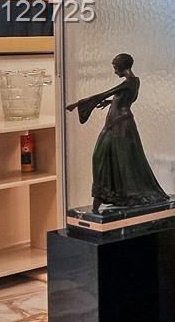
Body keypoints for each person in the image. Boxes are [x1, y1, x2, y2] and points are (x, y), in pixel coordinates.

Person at [66, 53, 169, 210]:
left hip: (121, 126)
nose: (114, 71)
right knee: (103, 156)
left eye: (115, 68)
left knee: (119, 160)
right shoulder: (130, 84)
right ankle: (107, 194)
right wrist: (112, 101)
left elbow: (104, 94)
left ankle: (108, 196)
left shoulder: (131, 82)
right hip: (116, 124)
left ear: (122, 66)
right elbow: (120, 97)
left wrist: (78, 104)